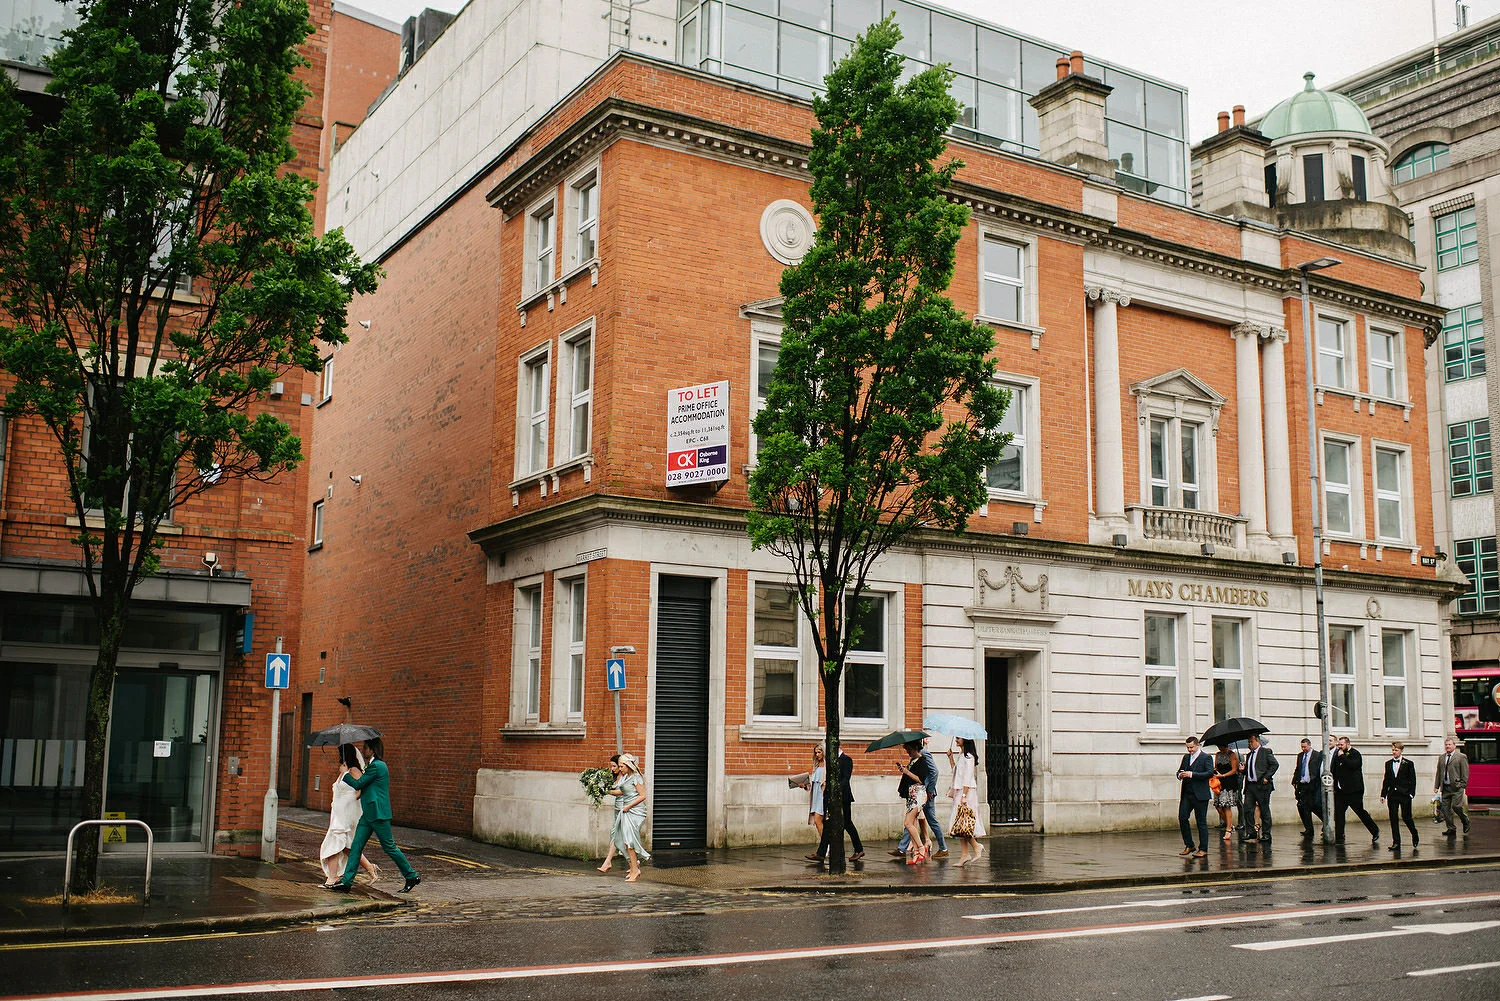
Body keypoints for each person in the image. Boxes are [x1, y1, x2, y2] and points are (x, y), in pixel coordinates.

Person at [322, 737, 421, 893]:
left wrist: (345, 774)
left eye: (366, 748)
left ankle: (411, 876)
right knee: (355, 847)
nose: (363, 750)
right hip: (368, 814)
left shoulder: (378, 766)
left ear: (372, 749)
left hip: (378, 814)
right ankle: (346, 883)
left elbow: (358, 784)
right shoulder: (371, 766)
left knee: (389, 847)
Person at [318, 743, 380, 885]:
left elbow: (361, 789)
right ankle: (370, 868)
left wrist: (346, 774)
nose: (338, 756)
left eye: (340, 753)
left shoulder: (353, 770)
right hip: (338, 814)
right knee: (347, 846)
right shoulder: (344, 770)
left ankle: (332, 878)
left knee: (333, 843)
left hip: (345, 816)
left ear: (346, 754)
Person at [895, 737, 948, 859]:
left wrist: (929, 790)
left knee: (930, 820)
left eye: (908, 749)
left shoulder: (923, 754)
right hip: (917, 793)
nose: (907, 752)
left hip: (923, 792)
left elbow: (934, 772)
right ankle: (904, 848)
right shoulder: (914, 758)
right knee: (910, 821)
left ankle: (941, 848)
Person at [602, 752, 651, 881]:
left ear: (628, 765)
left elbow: (643, 796)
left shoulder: (636, 777)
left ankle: (635, 871)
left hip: (635, 812)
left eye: (621, 766)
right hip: (626, 810)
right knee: (624, 840)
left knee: (630, 841)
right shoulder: (624, 777)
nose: (620, 769)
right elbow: (621, 792)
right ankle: (634, 869)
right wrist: (607, 791)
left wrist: (628, 806)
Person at [811, 745, 864, 863]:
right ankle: (821, 853)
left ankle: (859, 849)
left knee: (847, 823)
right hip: (830, 797)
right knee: (827, 824)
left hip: (843, 797)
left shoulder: (846, 759)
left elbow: (846, 779)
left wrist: (836, 792)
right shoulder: (830, 760)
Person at [1330, 735, 1380, 846]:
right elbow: (1334, 769)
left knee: (1360, 811)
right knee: (1339, 813)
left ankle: (1374, 830)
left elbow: (1354, 765)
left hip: (1353, 791)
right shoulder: (1337, 755)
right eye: (1338, 745)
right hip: (1341, 790)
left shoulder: (1355, 753)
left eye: (1341, 745)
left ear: (1347, 744)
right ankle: (1339, 835)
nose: (1339, 747)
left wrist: (1343, 757)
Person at [945, 738, 986, 866]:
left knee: (964, 821)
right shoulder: (962, 755)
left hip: (966, 792)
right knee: (960, 824)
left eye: (958, 738)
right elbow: (956, 773)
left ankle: (975, 846)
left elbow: (968, 777)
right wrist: (950, 758)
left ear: (965, 740)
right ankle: (965, 854)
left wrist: (964, 795)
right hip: (960, 791)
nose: (956, 740)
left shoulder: (969, 757)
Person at [1176, 735, 1213, 858]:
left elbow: (1209, 773)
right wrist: (1180, 775)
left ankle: (1203, 848)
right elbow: (1179, 770)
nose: (1190, 750)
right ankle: (1189, 844)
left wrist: (1192, 774)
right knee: (1182, 817)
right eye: (1188, 748)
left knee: (1201, 821)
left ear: (1197, 745)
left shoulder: (1206, 757)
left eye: (1191, 747)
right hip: (1187, 793)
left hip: (1201, 794)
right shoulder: (1186, 758)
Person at [1238, 733, 1278, 844]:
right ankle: (1251, 832)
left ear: (1257, 741)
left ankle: (1266, 833)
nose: (1249, 744)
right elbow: (1250, 771)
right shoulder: (1249, 755)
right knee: (1247, 809)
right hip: (1250, 785)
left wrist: (1267, 777)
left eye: (1251, 742)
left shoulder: (1265, 752)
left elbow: (1274, 765)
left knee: (1264, 810)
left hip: (1262, 785)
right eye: (1248, 742)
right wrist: (1243, 770)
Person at [1379, 740, 1419, 850]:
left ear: (1401, 751)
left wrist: (1411, 794)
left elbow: (1413, 780)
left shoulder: (1408, 764)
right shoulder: (1388, 764)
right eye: (1392, 750)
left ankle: (1414, 834)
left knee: (1406, 817)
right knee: (1393, 818)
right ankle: (1396, 842)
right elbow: (1386, 780)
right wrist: (1383, 794)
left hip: (1404, 794)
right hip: (1392, 795)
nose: (1394, 752)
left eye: (1396, 750)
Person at [895, 741, 930, 865]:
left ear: (915, 748)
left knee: (908, 823)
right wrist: (904, 770)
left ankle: (921, 847)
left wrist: (907, 772)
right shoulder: (912, 762)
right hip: (911, 794)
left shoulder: (923, 761)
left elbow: (920, 779)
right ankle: (916, 853)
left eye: (909, 749)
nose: (907, 752)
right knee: (912, 824)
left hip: (918, 794)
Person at [1434, 736, 1472, 837]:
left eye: (1449, 744)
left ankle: (1465, 820)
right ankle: (1451, 828)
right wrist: (1436, 785)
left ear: (1454, 746)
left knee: (1456, 806)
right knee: (1446, 809)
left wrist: (1463, 784)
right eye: (1446, 745)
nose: (1447, 746)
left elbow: (1465, 772)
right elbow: (1439, 772)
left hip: (1457, 787)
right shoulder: (1442, 757)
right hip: (1445, 787)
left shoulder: (1461, 757)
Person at [795, 744, 826, 863]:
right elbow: (813, 785)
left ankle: (825, 847)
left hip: (823, 796)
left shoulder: (827, 767)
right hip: (816, 796)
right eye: (816, 753)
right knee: (819, 823)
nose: (817, 755)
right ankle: (825, 847)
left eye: (819, 752)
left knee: (818, 821)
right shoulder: (816, 766)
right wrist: (804, 786)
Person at [1291, 737, 1325, 841]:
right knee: (1302, 807)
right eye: (1302, 747)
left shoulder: (1317, 755)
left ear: (1309, 745)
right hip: (1302, 785)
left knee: (1313, 806)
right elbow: (1298, 769)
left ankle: (1327, 822)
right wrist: (1294, 780)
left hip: (1312, 784)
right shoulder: (1300, 756)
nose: (1303, 749)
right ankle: (1309, 829)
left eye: (1305, 747)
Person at [1211, 743, 1241, 841]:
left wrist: (1223, 775)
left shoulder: (1232, 755)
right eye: (1219, 746)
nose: (1220, 748)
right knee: (1218, 806)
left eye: (1222, 746)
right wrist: (1215, 772)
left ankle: (1228, 829)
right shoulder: (1217, 754)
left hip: (1229, 782)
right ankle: (1229, 824)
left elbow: (1234, 770)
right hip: (1219, 782)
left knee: (1226, 805)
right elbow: (1215, 766)